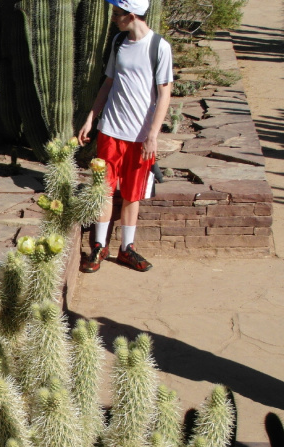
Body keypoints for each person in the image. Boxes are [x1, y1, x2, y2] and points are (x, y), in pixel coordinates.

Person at [78, 0, 173, 273]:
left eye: (117, 14)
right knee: (104, 190)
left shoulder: (159, 47)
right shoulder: (118, 41)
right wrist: (91, 118)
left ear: (131, 15)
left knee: (133, 193)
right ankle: (99, 247)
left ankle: (126, 248)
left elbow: (165, 94)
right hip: (111, 130)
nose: (113, 18)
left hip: (141, 136)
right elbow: (108, 83)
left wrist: (153, 135)